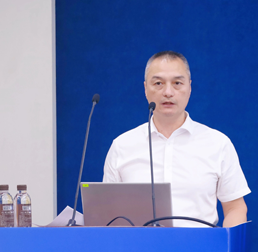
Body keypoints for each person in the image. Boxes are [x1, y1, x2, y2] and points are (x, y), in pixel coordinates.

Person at [103, 51, 250, 227]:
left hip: (201, 245)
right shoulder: (122, 146)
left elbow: (235, 208)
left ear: (189, 87)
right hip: (140, 245)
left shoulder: (218, 144)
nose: (168, 92)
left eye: (177, 83)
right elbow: (108, 214)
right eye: (158, 83)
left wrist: (225, 243)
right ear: (145, 88)